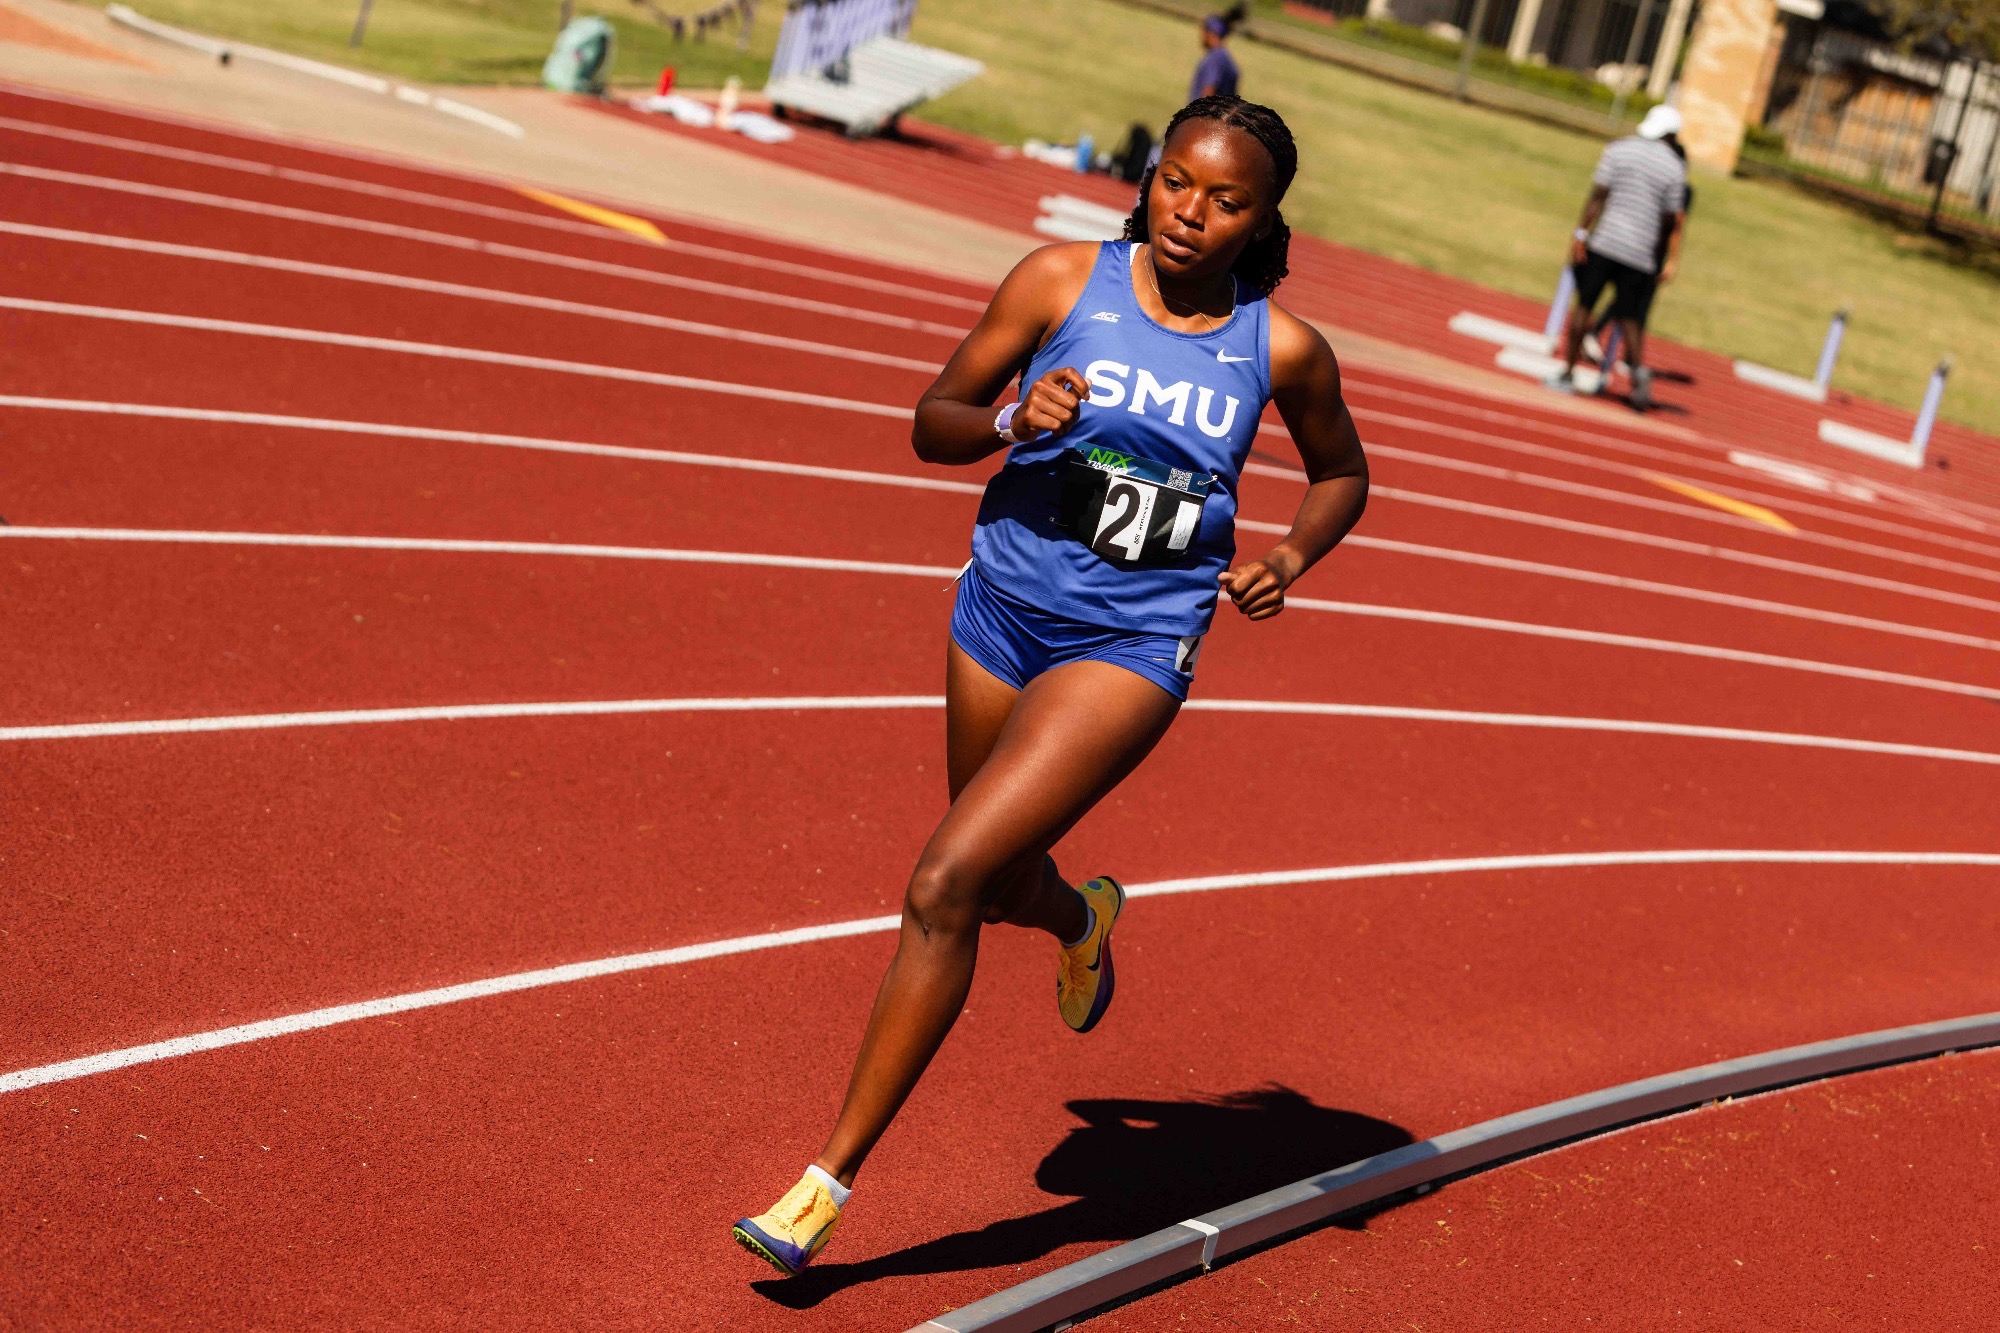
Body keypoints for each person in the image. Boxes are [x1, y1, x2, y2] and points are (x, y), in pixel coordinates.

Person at [730, 94, 1370, 1278]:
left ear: (1262, 219)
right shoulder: (1058, 280)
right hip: (998, 611)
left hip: (1131, 640)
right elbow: (931, 421)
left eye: (1225, 200)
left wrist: (1287, 557)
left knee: (944, 880)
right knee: (994, 879)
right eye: (1175, 181)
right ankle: (1080, 919)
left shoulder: (1277, 348)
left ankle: (825, 1182)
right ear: (1150, 175)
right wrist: (1008, 420)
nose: (1190, 212)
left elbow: (1341, 471)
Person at [1546, 103, 1689, 411]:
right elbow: (1671, 220)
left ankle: (1568, 372)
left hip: (1605, 242)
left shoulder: (1619, 149)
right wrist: (1661, 256)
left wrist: (1580, 233)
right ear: (1673, 135)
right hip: (1640, 253)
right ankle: (1638, 380)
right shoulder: (1674, 168)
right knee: (1630, 318)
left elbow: (1598, 195)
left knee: (1584, 307)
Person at [1191, 4, 1245, 101]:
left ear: (1210, 32)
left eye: (1203, 30)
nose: (1201, 35)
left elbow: (1209, 91)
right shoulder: (1226, 58)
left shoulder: (1215, 59)